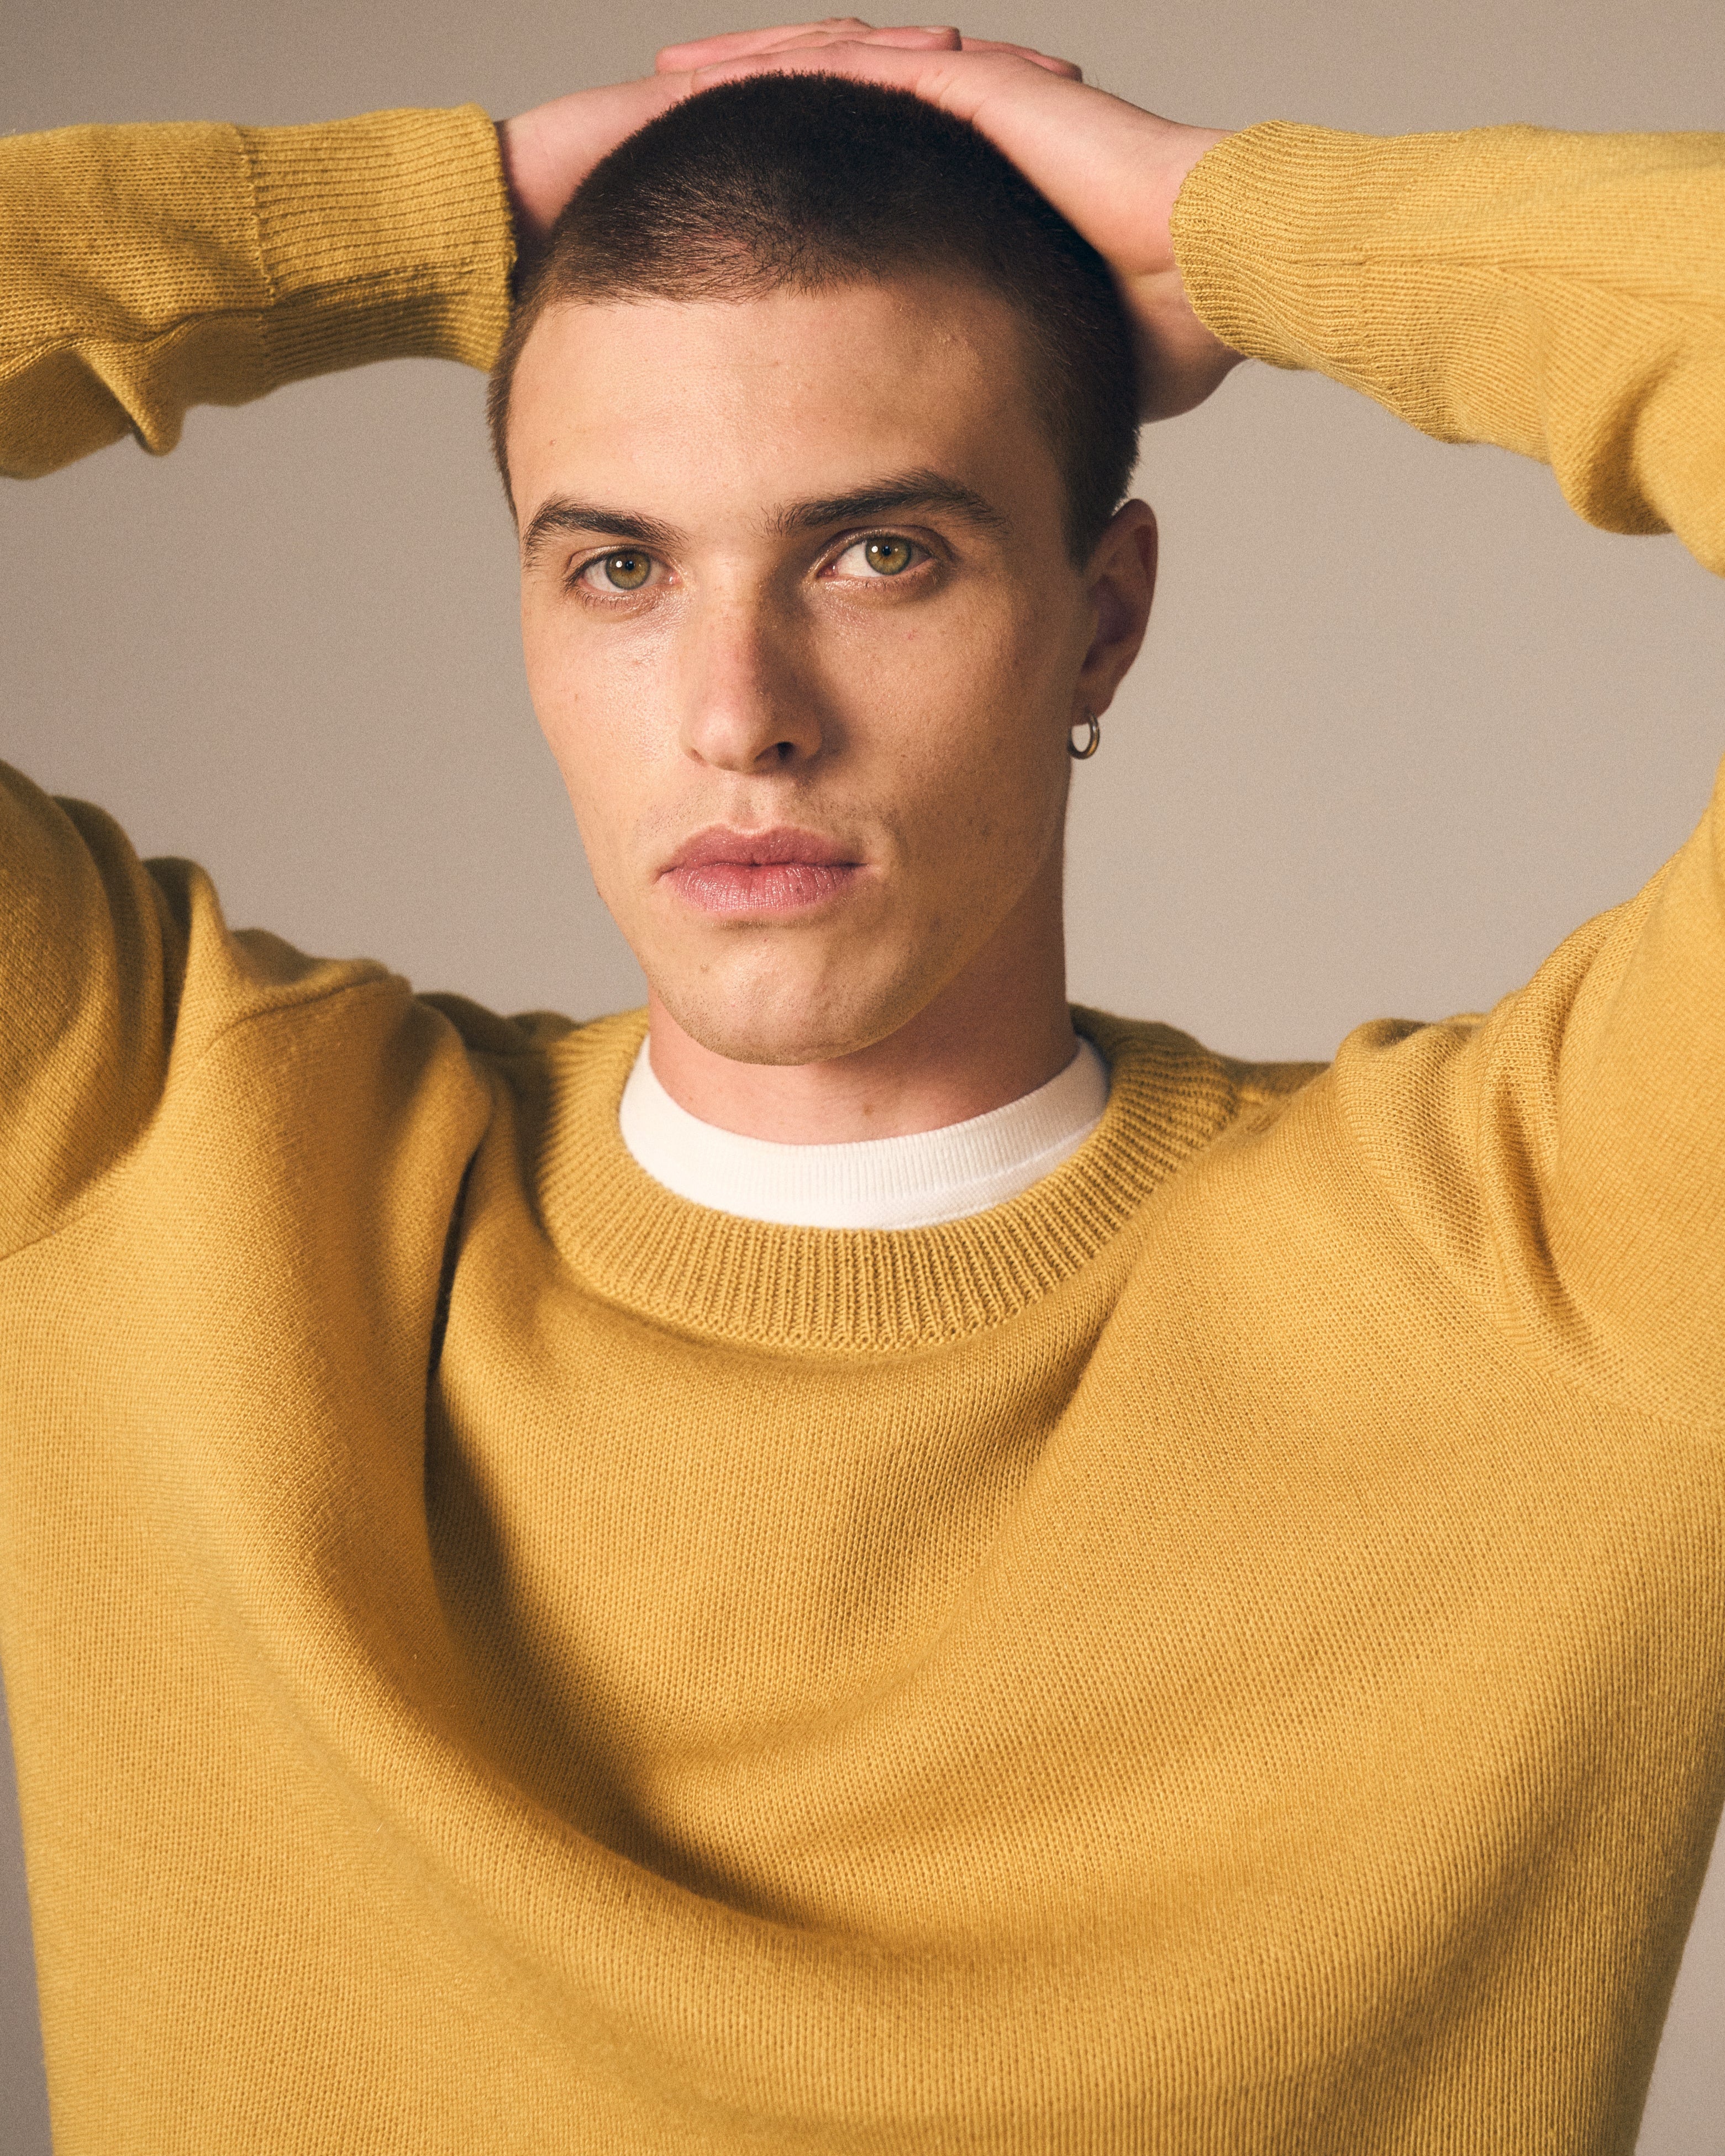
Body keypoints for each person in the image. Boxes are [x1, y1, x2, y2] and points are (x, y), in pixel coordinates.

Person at [1, 17, 1721, 2150]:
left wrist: (1237, 227)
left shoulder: (1554, 1269)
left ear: (1100, 624)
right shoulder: (160, 1152)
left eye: (875, 552)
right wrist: (431, 225)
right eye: (619, 564)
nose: (740, 711)